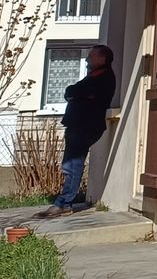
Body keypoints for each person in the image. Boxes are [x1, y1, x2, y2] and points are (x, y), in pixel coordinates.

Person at [44, 45, 115, 216]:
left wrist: (77, 93)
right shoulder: (92, 76)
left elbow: (85, 93)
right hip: (77, 125)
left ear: (102, 59)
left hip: (86, 126)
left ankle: (64, 204)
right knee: (69, 165)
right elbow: (70, 91)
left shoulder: (104, 77)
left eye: (92, 56)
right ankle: (63, 202)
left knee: (73, 165)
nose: (87, 59)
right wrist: (76, 93)